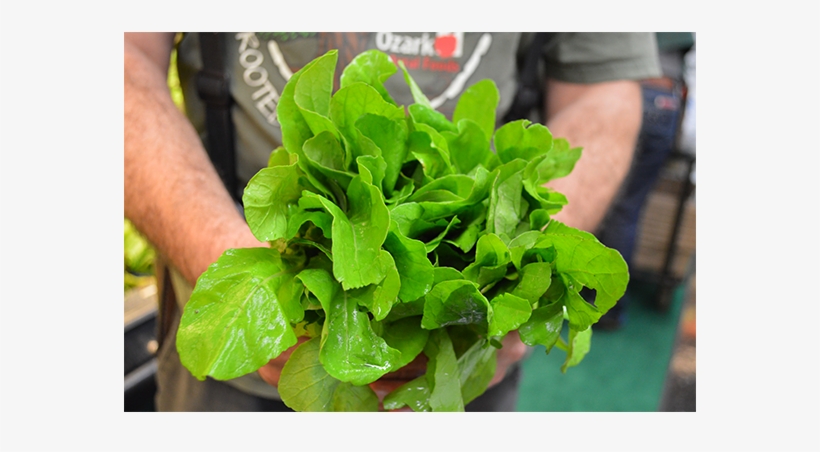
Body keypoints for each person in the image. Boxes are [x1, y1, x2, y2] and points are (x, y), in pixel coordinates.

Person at [124, 32, 661, 411]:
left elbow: (603, 90)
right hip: (233, 355)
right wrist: (221, 251)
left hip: (462, 362)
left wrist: (516, 278)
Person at [592, 32, 695, 329]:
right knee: (628, 208)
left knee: (607, 202)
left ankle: (598, 303)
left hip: (629, 91)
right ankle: (610, 306)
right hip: (665, 100)